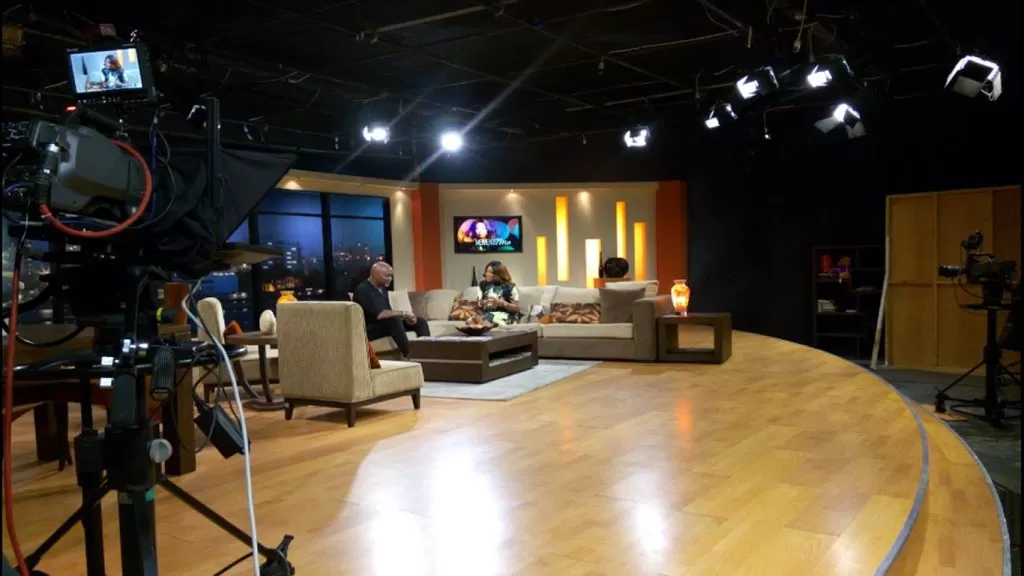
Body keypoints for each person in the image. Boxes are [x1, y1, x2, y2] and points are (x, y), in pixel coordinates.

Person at [352, 262, 429, 358]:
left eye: (391, 276)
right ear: (375, 274)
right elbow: (380, 314)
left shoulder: (382, 289)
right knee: (393, 320)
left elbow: (388, 311)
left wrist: (405, 319)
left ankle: (426, 354)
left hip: (386, 325)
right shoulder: (363, 290)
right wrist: (404, 313)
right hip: (369, 329)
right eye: (387, 276)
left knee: (420, 322)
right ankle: (409, 355)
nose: (390, 279)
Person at [477, 260, 520, 326]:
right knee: (472, 321)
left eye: (490, 272)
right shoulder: (482, 285)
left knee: (486, 320)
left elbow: (516, 308)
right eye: (486, 271)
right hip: (487, 315)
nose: (486, 274)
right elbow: (478, 304)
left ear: (499, 275)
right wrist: (484, 302)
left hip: (506, 315)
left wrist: (502, 303)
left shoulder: (510, 286)